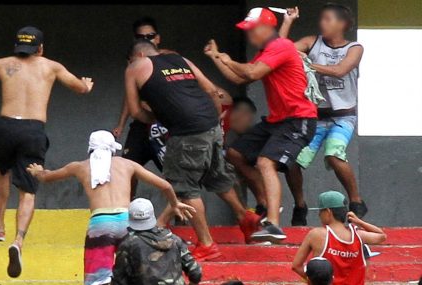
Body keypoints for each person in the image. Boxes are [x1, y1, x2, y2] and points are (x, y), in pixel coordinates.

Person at [0, 26, 94, 277]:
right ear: (41, 48)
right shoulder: (51, 67)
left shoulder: (1, 63)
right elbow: (78, 88)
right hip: (33, 129)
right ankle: (18, 240)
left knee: (1, 173)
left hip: (6, 125)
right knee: (28, 189)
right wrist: (86, 86)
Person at [125, 39, 261, 259]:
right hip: (211, 125)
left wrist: (160, 118)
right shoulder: (181, 59)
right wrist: (215, 117)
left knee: (185, 188)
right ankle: (244, 217)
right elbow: (211, 89)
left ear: (138, 56)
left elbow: (135, 111)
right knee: (216, 176)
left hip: (186, 132)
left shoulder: (135, 67)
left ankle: (206, 243)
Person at [205, 7, 317, 242]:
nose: (249, 35)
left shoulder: (281, 47)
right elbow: (239, 77)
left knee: (266, 162)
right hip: (277, 121)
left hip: (299, 120)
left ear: (267, 28)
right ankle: (266, 203)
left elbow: (253, 73)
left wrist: (227, 58)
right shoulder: (267, 50)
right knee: (235, 153)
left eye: (252, 30)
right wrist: (217, 57)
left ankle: (274, 224)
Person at [27, 130, 195, 285]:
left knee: (97, 278)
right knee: (134, 272)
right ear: (112, 149)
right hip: (127, 222)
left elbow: (46, 177)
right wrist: (174, 204)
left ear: (90, 149)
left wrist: (37, 172)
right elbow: (165, 186)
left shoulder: (79, 167)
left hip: (100, 224)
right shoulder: (127, 164)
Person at [279, 4, 367, 224]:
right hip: (315, 118)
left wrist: (306, 62)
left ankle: (356, 201)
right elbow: (280, 50)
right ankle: (300, 206)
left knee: (334, 155)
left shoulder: (355, 48)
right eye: (322, 19)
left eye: (328, 19)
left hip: (343, 116)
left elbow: (340, 70)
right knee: (292, 162)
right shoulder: (312, 41)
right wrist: (288, 22)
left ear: (342, 24)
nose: (323, 23)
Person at [112, 17, 172, 175]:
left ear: (157, 38)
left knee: (174, 174)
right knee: (127, 169)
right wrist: (121, 124)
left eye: (150, 36)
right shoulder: (134, 62)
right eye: (140, 38)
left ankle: (179, 200)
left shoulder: (171, 59)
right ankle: (126, 200)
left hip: (165, 123)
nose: (146, 40)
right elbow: (131, 96)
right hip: (141, 124)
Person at [292, 191, 386, 285]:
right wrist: (359, 222)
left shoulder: (317, 234)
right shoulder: (358, 235)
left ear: (328, 212)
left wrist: (316, 281)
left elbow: (296, 266)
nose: (319, 215)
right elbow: (382, 236)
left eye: (321, 211)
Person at [112, 198, 201, 285]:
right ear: (152, 216)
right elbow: (196, 272)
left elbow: (119, 279)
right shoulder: (175, 240)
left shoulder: (128, 245)